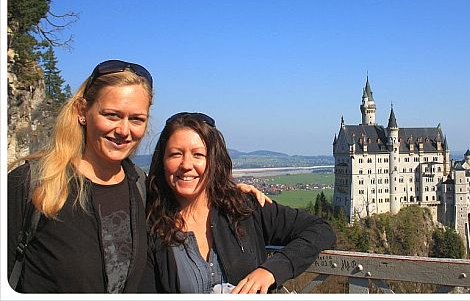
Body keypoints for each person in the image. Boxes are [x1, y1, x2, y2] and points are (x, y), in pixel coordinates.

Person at [7, 60, 269, 293]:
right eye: (111, 115)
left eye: (136, 119)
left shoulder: (141, 188)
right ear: (81, 111)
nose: (123, 130)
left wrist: (230, 191)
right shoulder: (33, 183)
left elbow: (188, 194)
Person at [145, 112, 337, 294]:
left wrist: (273, 269)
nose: (186, 165)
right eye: (176, 154)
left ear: (213, 161)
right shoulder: (148, 223)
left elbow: (321, 230)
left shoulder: (243, 208)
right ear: (162, 161)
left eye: (198, 155)